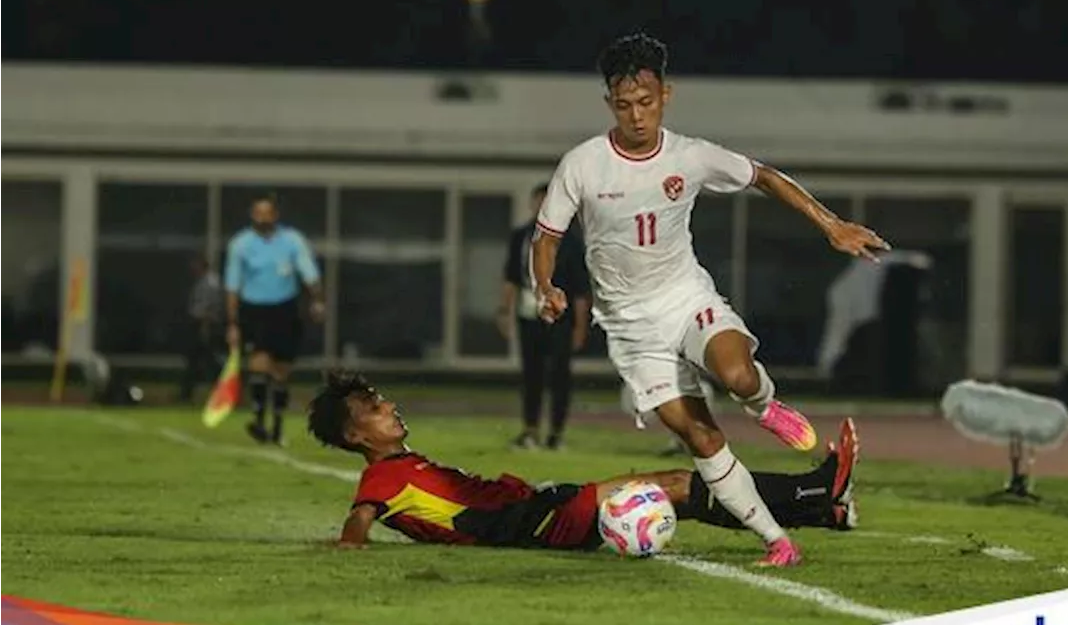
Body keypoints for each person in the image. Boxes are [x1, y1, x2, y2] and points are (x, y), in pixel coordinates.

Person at [528, 32, 889, 567]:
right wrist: (546, 286)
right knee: (700, 435)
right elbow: (547, 237)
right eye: (624, 105)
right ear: (610, 104)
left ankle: (765, 406)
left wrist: (831, 225)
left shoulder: (690, 156)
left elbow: (764, 177)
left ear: (665, 96)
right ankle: (777, 540)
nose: (636, 115)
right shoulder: (581, 165)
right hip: (631, 328)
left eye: (646, 102)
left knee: (740, 377)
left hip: (684, 296)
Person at [305, 371, 859, 551]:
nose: (390, 407)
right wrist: (350, 545)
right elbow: (362, 514)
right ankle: (816, 489)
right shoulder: (380, 475)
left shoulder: (403, 462)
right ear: (356, 434)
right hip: (532, 525)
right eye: (376, 409)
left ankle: (819, 512)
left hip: (535, 507)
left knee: (683, 494)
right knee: (678, 485)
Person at [224, 191, 325, 445]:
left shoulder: (292, 241)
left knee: (281, 371)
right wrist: (233, 323)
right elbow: (233, 286)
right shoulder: (240, 244)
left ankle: (277, 426)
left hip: (284, 310)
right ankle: (259, 421)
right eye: (258, 213)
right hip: (254, 310)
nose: (262, 218)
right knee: (258, 365)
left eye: (266, 213)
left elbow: (309, 272)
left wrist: (317, 300)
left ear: (275, 215)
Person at [499, 183, 591, 451]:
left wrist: (580, 326)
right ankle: (530, 430)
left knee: (560, 375)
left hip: (561, 315)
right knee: (531, 374)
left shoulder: (571, 240)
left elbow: (581, 289)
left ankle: (556, 433)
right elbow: (511, 278)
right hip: (528, 312)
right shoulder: (521, 237)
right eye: (538, 202)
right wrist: (505, 310)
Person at [177, 255, 223, 403]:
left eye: (194, 264)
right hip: (200, 325)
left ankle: (222, 392)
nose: (192, 268)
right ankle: (186, 394)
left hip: (205, 326)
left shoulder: (210, 283)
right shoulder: (204, 281)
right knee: (197, 361)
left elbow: (210, 307)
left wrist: (205, 328)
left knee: (208, 362)